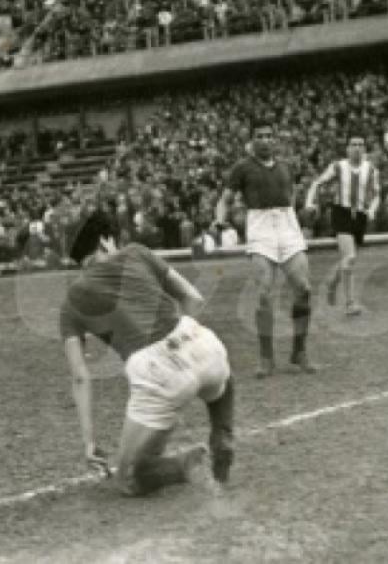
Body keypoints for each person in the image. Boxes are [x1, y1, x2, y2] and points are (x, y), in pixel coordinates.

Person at [60, 210, 235, 496]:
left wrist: (89, 441)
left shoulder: (72, 300)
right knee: (222, 375)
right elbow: (193, 297)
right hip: (199, 341)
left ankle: (187, 466)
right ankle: (222, 432)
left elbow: (80, 376)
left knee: (127, 478)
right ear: (106, 241)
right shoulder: (137, 252)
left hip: (156, 371)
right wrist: (186, 340)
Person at [216, 119, 317, 377]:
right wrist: (219, 219)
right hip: (260, 225)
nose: (265, 140)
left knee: (304, 288)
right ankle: (266, 358)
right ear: (252, 141)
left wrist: (297, 216)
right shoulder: (242, 168)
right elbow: (225, 198)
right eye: (260, 135)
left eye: (269, 135)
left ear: (275, 139)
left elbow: (290, 195)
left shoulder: (285, 166)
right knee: (263, 293)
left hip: (287, 224)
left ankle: (299, 352)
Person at [304, 133, 381, 316]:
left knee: (348, 259)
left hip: (360, 215)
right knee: (351, 257)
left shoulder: (371, 170)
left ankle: (332, 282)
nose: (357, 148)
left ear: (364, 149)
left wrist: (372, 210)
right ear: (347, 148)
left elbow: (377, 194)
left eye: (360, 144)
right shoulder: (338, 166)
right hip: (341, 213)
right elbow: (317, 183)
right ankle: (350, 303)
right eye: (353, 144)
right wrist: (310, 203)